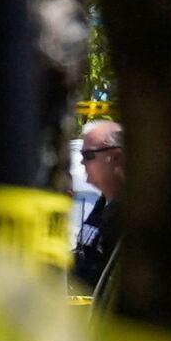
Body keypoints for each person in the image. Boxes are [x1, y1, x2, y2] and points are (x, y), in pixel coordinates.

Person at [74, 120, 124, 292]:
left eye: (88, 156)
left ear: (116, 157)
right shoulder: (103, 202)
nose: (82, 163)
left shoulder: (128, 215)